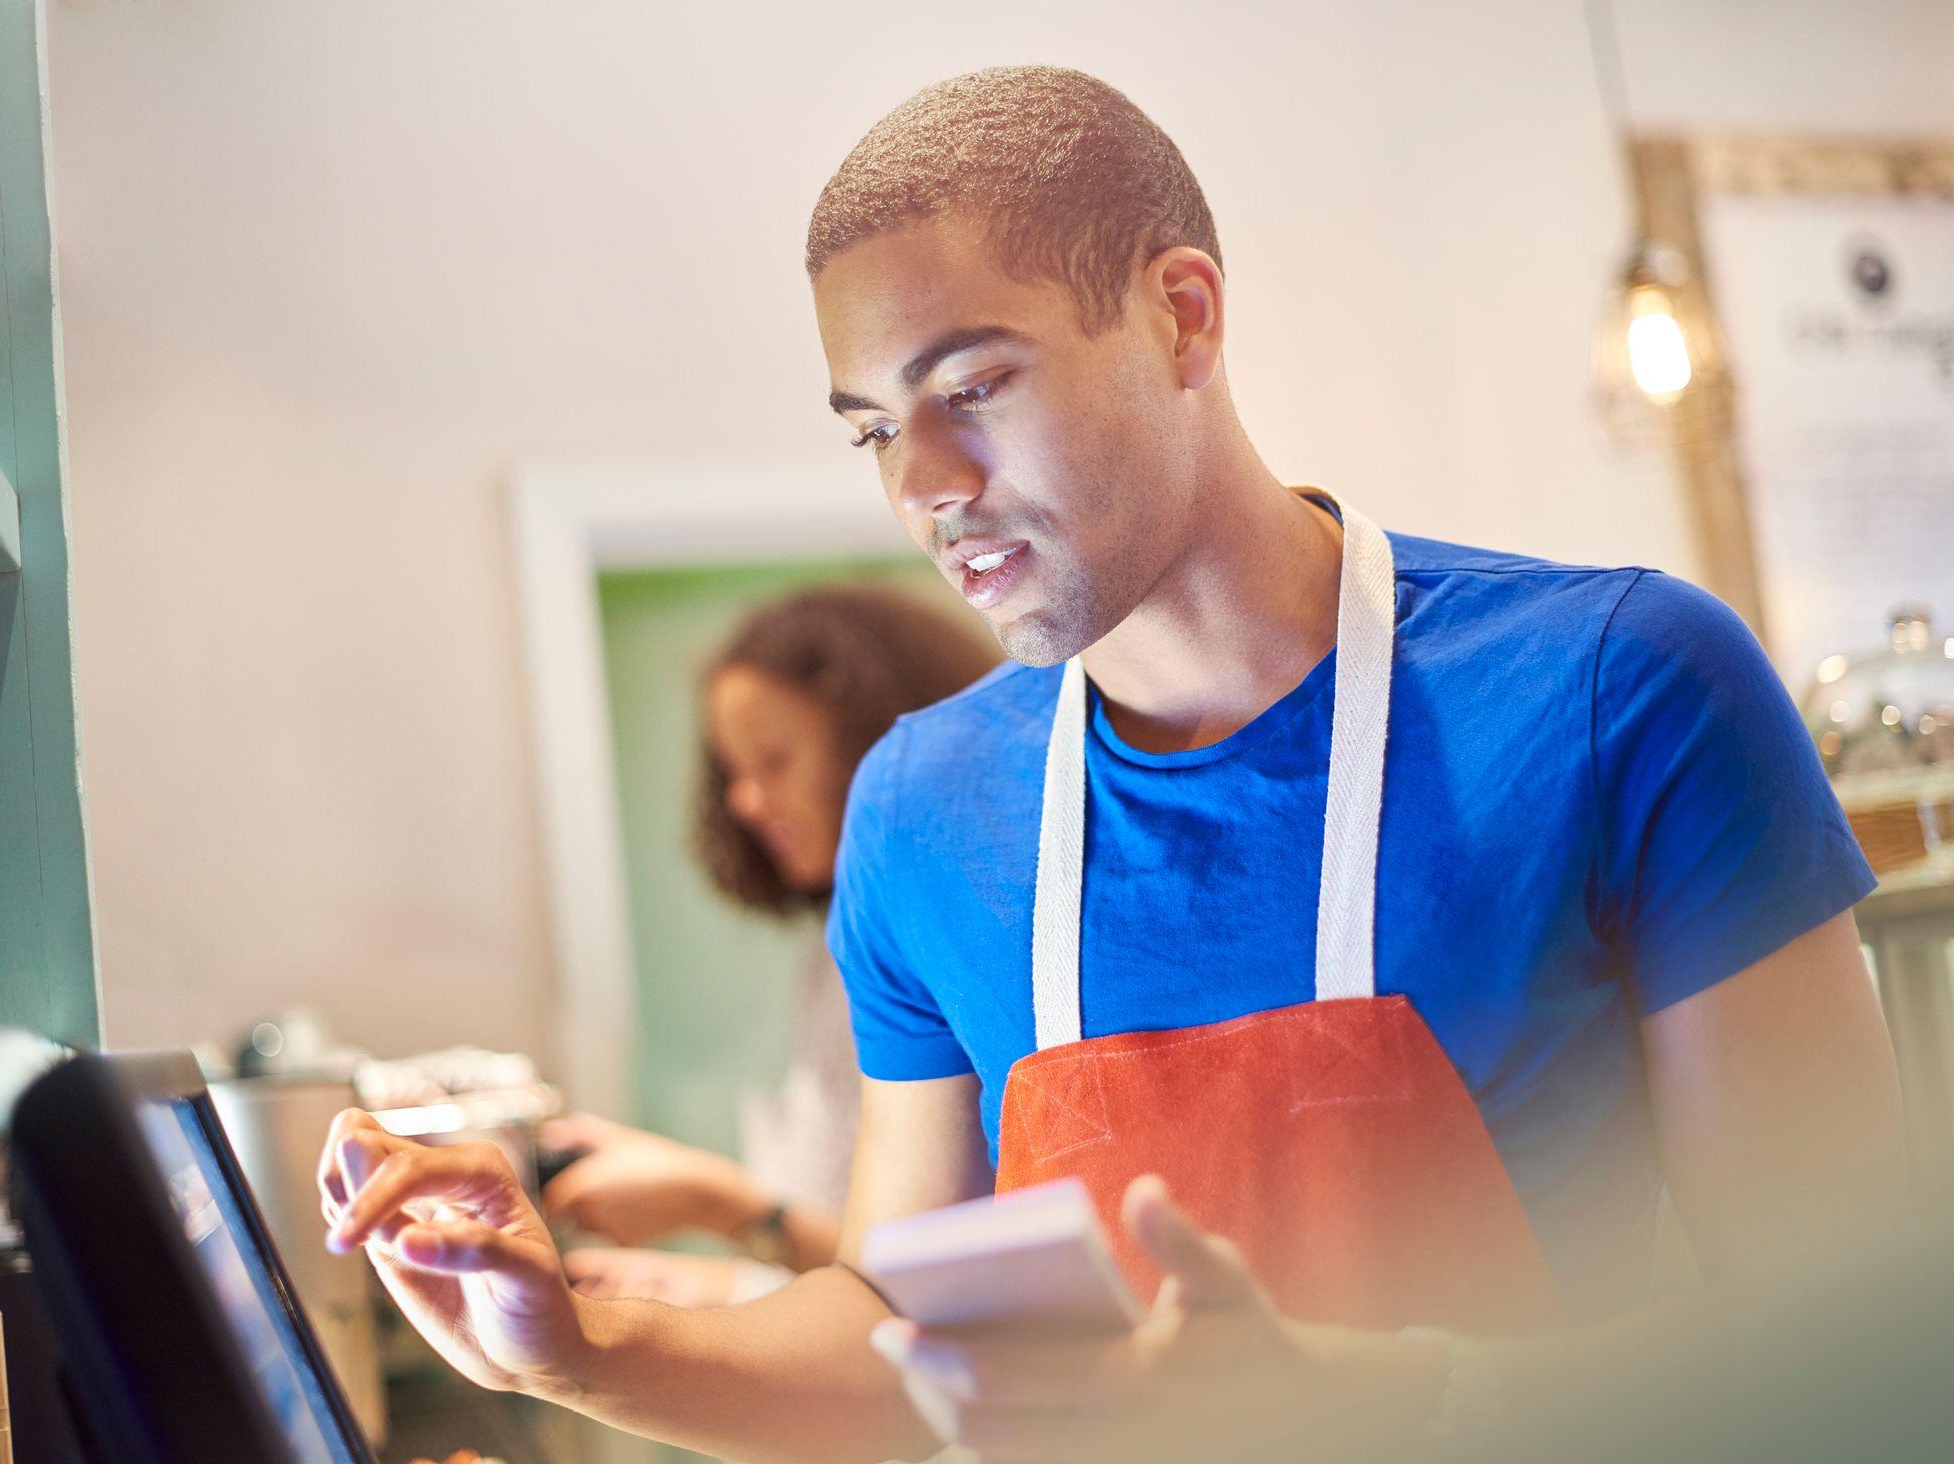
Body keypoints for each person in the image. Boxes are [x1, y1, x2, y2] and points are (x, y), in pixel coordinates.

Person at [320, 67, 1906, 1463]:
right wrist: (580, 1349)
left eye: (974, 385)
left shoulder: (1621, 690)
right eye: (874, 429)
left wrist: (1405, 1411)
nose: (926, 485)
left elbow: (1853, 1346)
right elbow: (896, 1349)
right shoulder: (923, 812)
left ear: (1182, 315)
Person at [540, 585, 998, 1307]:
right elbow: (853, 1268)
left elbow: (941, 1284)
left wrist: (719, 1204)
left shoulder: (963, 952)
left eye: (774, 760)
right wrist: (712, 1287)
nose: (744, 802)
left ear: (878, 743)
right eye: (733, 773)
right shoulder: (834, 954)